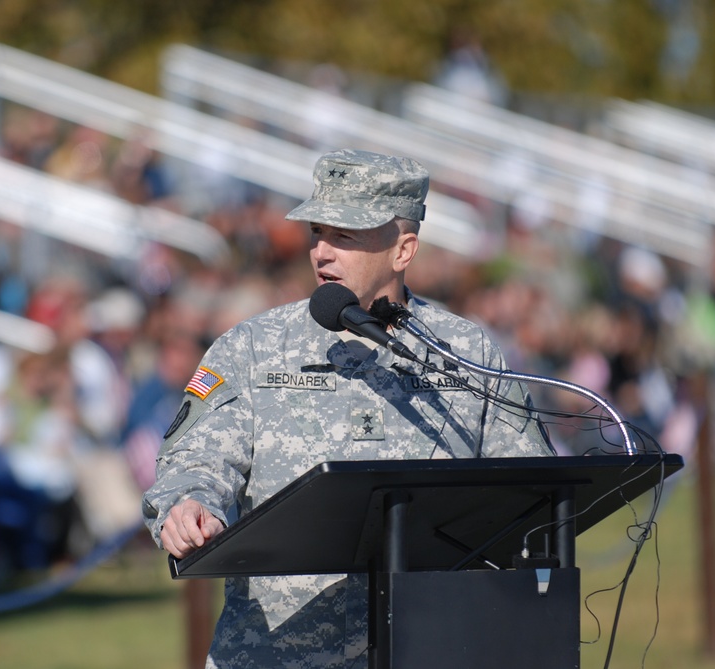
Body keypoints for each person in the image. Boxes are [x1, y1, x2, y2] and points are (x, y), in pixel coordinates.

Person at [142, 149, 554, 668]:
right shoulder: (252, 347)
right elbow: (194, 463)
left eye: (346, 236)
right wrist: (190, 504)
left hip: (430, 649)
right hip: (274, 656)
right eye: (318, 232)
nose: (322, 253)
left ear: (403, 250)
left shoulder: (466, 354)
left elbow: (531, 495)